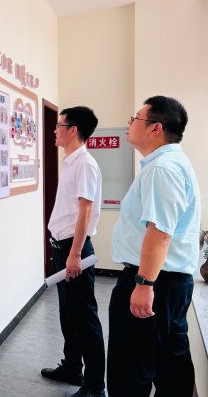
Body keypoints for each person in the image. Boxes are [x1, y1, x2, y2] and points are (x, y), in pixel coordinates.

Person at [107, 96, 201, 397]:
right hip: (167, 282)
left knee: (130, 371)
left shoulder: (162, 168)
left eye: (135, 117)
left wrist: (144, 284)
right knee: (170, 366)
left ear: (155, 128)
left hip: (154, 282)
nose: (129, 122)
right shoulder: (169, 164)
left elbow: (160, 233)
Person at [42, 106, 106, 397]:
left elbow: (85, 212)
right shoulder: (70, 161)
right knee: (68, 314)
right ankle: (72, 368)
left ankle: (94, 385)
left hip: (74, 249)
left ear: (73, 130)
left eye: (59, 125)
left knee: (84, 318)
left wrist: (75, 254)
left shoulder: (85, 164)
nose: (55, 130)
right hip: (63, 249)